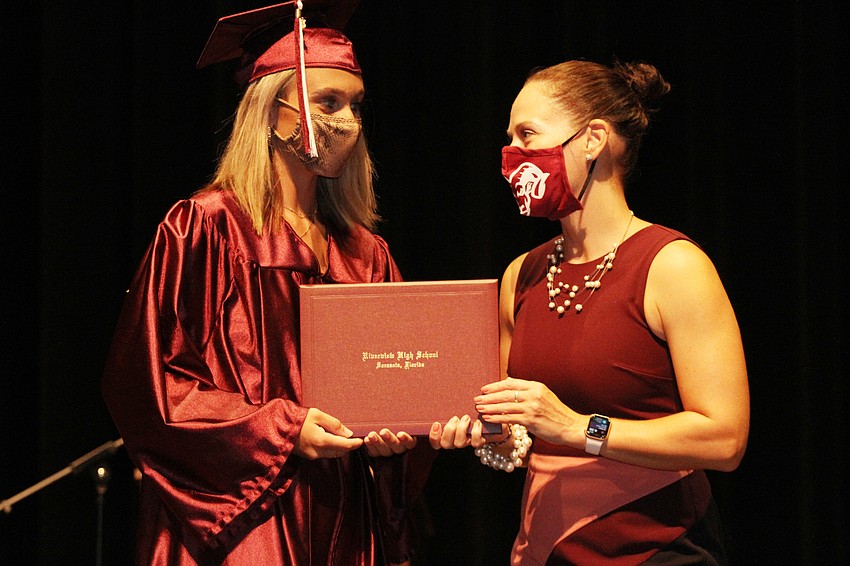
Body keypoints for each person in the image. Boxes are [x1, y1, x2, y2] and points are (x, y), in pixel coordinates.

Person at [102, 2, 434, 564]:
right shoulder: (204, 226)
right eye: (327, 102)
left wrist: (396, 435)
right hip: (243, 516)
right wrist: (282, 430)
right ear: (271, 109)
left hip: (344, 511)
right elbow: (150, 383)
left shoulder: (365, 252)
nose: (345, 121)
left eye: (354, 105)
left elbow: (395, 381)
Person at [430, 59, 750, 564]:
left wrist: (579, 428)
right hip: (544, 549)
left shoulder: (673, 265)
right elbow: (518, 433)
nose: (513, 156)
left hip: (657, 549)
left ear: (593, 139)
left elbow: (724, 438)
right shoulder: (522, 273)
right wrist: (487, 433)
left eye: (528, 135)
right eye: (510, 139)